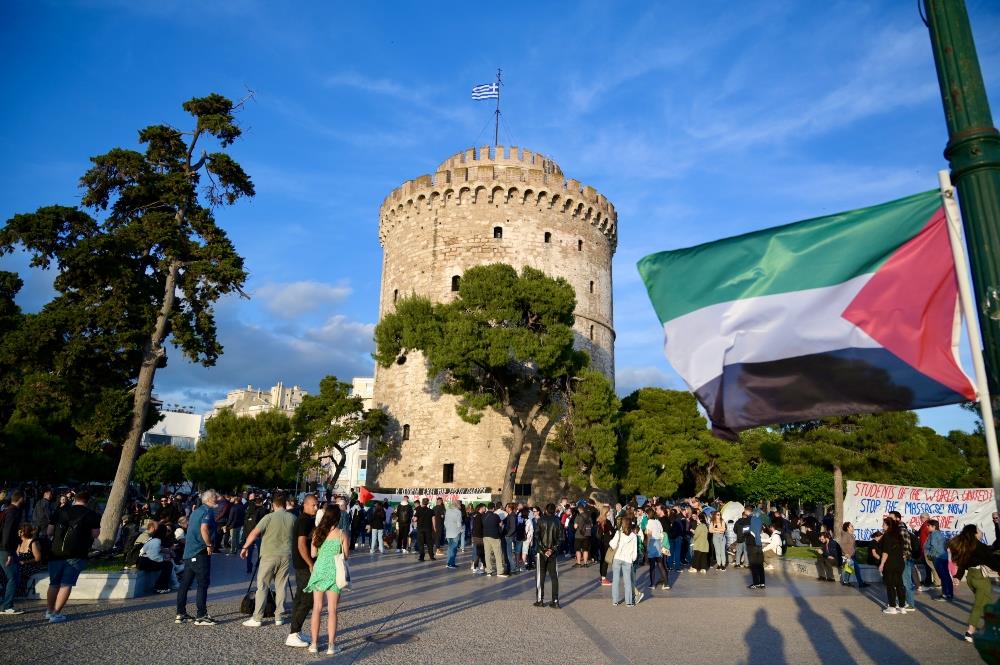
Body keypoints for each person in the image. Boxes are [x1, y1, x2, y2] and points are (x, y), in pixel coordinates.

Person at [241, 492, 296, 627]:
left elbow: (254, 532)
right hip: (285, 555)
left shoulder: (268, 517)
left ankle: (257, 617)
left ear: (273, 505)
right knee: (281, 585)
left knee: (263, 586)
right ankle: (279, 616)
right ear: (285, 504)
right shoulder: (293, 518)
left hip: (268, 555)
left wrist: (245, 547)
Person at [45, 490, 100, 622]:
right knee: (66, 583)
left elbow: (49, 531)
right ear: (88, 501)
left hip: (56, 551)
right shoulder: (92, 515)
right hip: (77, 553)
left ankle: (49, 610)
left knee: (54, 583)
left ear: (74, 498)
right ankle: (56, 614)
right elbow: (95, 534)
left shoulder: (60, 511)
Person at [305, 504, 348, 655]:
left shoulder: (317, 532)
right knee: (332, 610)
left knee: (317, 608)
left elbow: (313, 553)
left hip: (319, 571)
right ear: (338, 517)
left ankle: (314, 644)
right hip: (334, 573)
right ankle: (331, 645)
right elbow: (345, 556)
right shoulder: (342, 534)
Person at [950, 524, 1000, 643]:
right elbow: (991, 560)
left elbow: (962, 564)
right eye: (978, 530)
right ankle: (970, 631)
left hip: (970, 578)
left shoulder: (966, 546)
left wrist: (958, 577)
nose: (981, 532)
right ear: (974, 533)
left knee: (984, 603)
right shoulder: (979, 546)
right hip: (980, 578)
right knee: (979, 605)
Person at [175, 489, 219, 626]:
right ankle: (201, 615)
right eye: (215, 497)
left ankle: (180, 613)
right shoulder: (208, 511)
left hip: (189, 553)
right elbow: (204, 528)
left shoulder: (196, 512)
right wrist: (209, 544)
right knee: (202, 583)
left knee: (185, 584)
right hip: (200, 552)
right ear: (209, 499)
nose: (217, 500)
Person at [286, 494, 318, 648]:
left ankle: (295, 631)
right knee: (307, 599)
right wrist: (310, 563)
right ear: (305, 505)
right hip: (304, 565)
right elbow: (301, 545)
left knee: (299, 598)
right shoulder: (304, 521)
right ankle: (293, 634)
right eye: (313, 505)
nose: (316, 508)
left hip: (301, 565)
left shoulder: (305, 520)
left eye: (316, 505)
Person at [0, 490, 26, 615]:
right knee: (14, 576)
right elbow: (7, 532)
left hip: (4, 548)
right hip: (6, 550)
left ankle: (4, 604)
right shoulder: (13, 512)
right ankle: (7, 606)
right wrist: (9, 552)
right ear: (21, 499)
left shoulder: (6, 510)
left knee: (9, 577)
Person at [534, 503, 564, 608]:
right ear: (554, 510)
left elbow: (537, 536)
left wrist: (544, 549)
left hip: (542, 552)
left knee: (540, 576)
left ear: (546, 510)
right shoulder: (558, 521)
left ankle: (540, 600)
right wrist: (552, 549)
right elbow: (561, 538)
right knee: (553, 576)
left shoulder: (540, 520)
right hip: (552, 552)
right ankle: (555, 600)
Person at [878, 517, 907, 614]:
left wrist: (881, 564)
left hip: (890, 563)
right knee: (899, 584)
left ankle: (892, 606)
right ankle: (902, 606)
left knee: (890, 585)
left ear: (888, 525)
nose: (882, 526)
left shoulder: (887, 536)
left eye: (884, 524)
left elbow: (885, 552)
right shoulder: (899, 535)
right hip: (900, 563)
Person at [609, 516, 639, 606]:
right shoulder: (634, 536)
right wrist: (633, 559)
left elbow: (612, 545)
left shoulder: (618, 533)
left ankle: (615, 600)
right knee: (628, 581)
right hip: (628, 560)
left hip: (617, 558)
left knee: (615, 580)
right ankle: (629, 602)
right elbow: (635, 550)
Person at [923, 519, 953, 602]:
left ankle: (946, 594)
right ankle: (948, 593)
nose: (927, 527)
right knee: (946, 576)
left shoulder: (934, 534)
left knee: (943, 576)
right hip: (942, 557)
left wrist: (930, 555)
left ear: (933, 526)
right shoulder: (939, 533)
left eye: (928, 526)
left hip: (938, 558)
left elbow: (934, 546)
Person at [645, 507, 669, 590]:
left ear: (648, 514)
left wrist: (647, 547)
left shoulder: (649, 522)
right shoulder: (658, 521)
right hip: (659, 543)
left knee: (652, 565)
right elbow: (662, 532)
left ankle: (652, 584)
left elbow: (649, 535)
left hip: (652, 543)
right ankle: (666, 584)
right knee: (660, 564)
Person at [482, 504, 504, 577]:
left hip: (485, 536)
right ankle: (500, 571)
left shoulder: (483, 516)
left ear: (488, 508)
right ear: (493, 508)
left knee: (487, 554)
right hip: (495, 537)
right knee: (497, 554)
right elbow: (500, 524)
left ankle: (489, 571)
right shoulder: (496, 516)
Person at [444, 501, 463, 569]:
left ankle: (448, 563)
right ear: (457, 505)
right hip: (455, 532)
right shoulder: (458, 512)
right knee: (454, 548)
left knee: (450, 548)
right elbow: (459, 523)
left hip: (448, 532)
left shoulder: (448, 511)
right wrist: (461, 530)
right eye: (460, 504)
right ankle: (451, 563)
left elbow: (445, 522)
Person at [470, 504, 486, 574]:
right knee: (479, 552)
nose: (485, 509)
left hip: (475, 535)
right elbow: (480, 527)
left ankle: (484, 565)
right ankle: (475, 567)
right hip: (479, 536)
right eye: (484, 508)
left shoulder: (475, 515)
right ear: (481, 508)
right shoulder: (480, 516)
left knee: (480, 552)